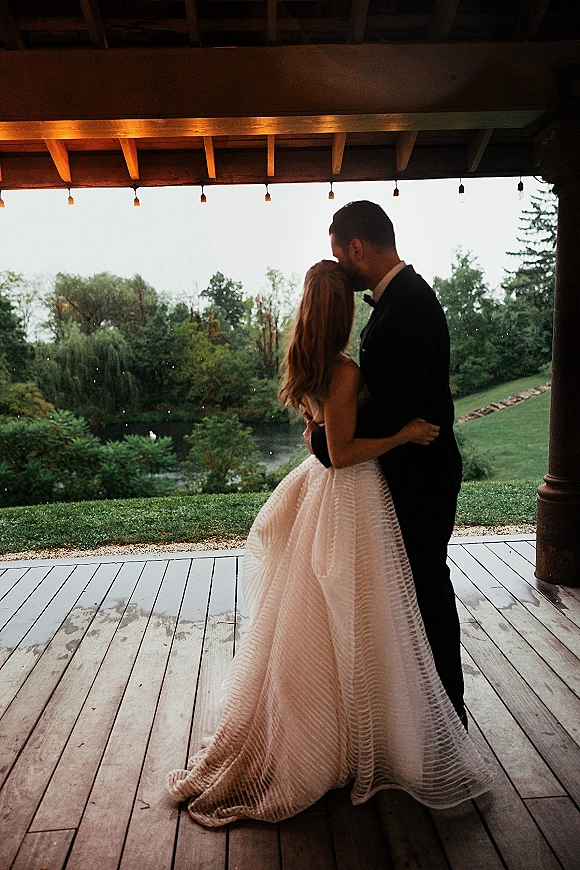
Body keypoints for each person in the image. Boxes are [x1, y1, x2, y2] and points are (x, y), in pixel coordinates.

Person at [166, 260, 492, 826]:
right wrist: (406, 433)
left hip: (326, 491)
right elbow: (342, 453)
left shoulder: (311, 363)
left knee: (330, 608)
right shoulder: (343, 370)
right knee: (357, 607)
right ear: (342, 313)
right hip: (350, 492)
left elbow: (325, 436)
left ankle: (343, 725)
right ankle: (359, 731)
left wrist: (322, 429)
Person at [306, 201, 466, 727]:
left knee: (426, 590)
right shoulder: (400, 301)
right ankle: (418, 710)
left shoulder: (407, 309)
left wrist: (326, 439)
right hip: (404, 472)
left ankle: (447, 713)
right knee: (406, 593)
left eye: (339, 254)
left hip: (421, 477)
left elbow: (387, 413)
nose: (341, 268)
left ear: (356, 248)